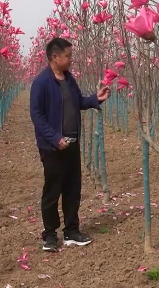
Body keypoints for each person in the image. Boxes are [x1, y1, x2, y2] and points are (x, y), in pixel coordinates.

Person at [30, 37, 110, 252]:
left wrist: (96, 99)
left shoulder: (69, 79)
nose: (71, 59)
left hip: (72, 144)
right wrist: (55, 138)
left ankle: (71, 231)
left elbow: (79, 102)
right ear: (54, 57)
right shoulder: (41, 83)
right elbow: (37, 115)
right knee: (52, 190)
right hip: (53, 147)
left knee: (73, 189)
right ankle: (49, 235)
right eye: (68, 56)